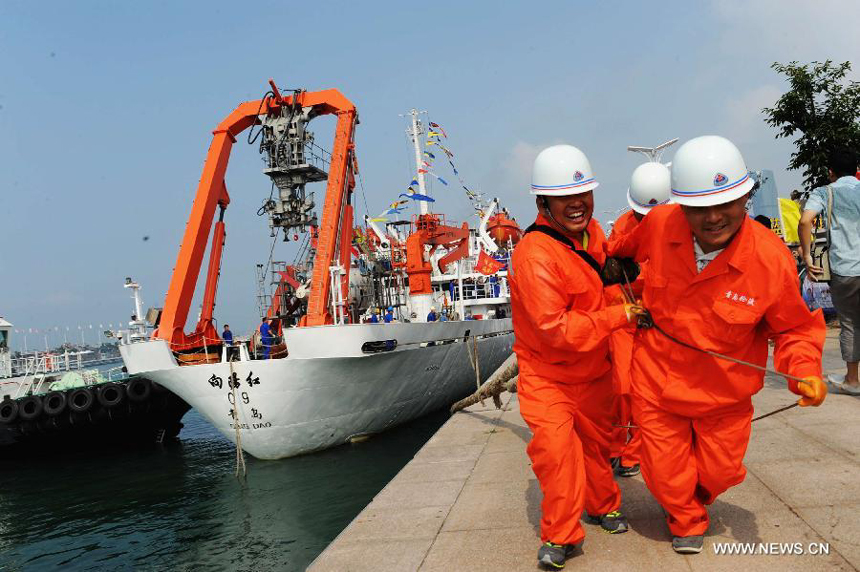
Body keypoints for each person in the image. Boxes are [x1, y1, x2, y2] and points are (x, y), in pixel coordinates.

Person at [609, 135, 827, 555]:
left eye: (725, 204)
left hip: (724, 394)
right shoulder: (659, 223)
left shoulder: (770, 259)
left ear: (746, 197)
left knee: (720, 472)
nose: (713, 218)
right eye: (698, 208)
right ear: (681, 207)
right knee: (666, 475)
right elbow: (620, 248)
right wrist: (607, 267)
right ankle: (684, 517)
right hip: (658, 384)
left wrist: (804, 373)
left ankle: (697, 497)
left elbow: (795, 330)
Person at [511, 144, 644, 569]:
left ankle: (603, 505)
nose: (577, 204)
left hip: (592, 371)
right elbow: (555, 330)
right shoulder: (534, 255)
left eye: (583, 193)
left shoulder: (593, 235)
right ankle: (560, 535)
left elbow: (599, 265)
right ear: (542, 203)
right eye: (565, 198)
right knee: (557, 454)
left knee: (597, 444)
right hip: (548, 375)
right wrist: (620, 315)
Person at [607, 160, 672, 478]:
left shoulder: (679, 224)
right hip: (626, 313)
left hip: (660, 318)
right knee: (622, 386)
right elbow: (612, 277)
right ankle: (616, 446)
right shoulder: (622, 226)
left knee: (654, 389)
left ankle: (634, 452)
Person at [799, 148, 860, 394]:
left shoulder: (825, 192)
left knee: (850, 324)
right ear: (856, 170)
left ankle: (853, 381)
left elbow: (805, 221)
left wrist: (805, 255)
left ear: (830, 172)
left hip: (844, 269)